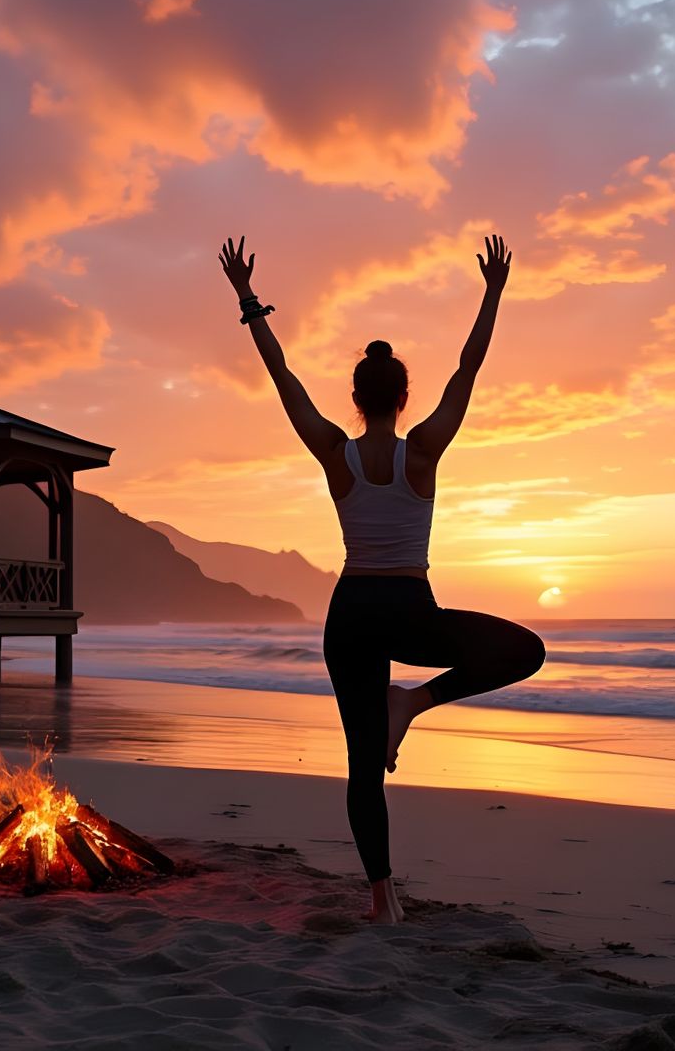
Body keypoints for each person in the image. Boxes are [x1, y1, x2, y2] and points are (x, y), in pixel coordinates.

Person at [217, 233, 547, 924]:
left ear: (359, 398)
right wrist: (493, 290)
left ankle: (382, 898)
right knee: (526, 650)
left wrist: (248, 297)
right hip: (406, 608)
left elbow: (283, 379)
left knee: (363, 764)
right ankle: (417, 703)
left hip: (350, 615)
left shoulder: (334, 453)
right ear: (402, 397)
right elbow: (469, 367)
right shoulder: (422, 451)